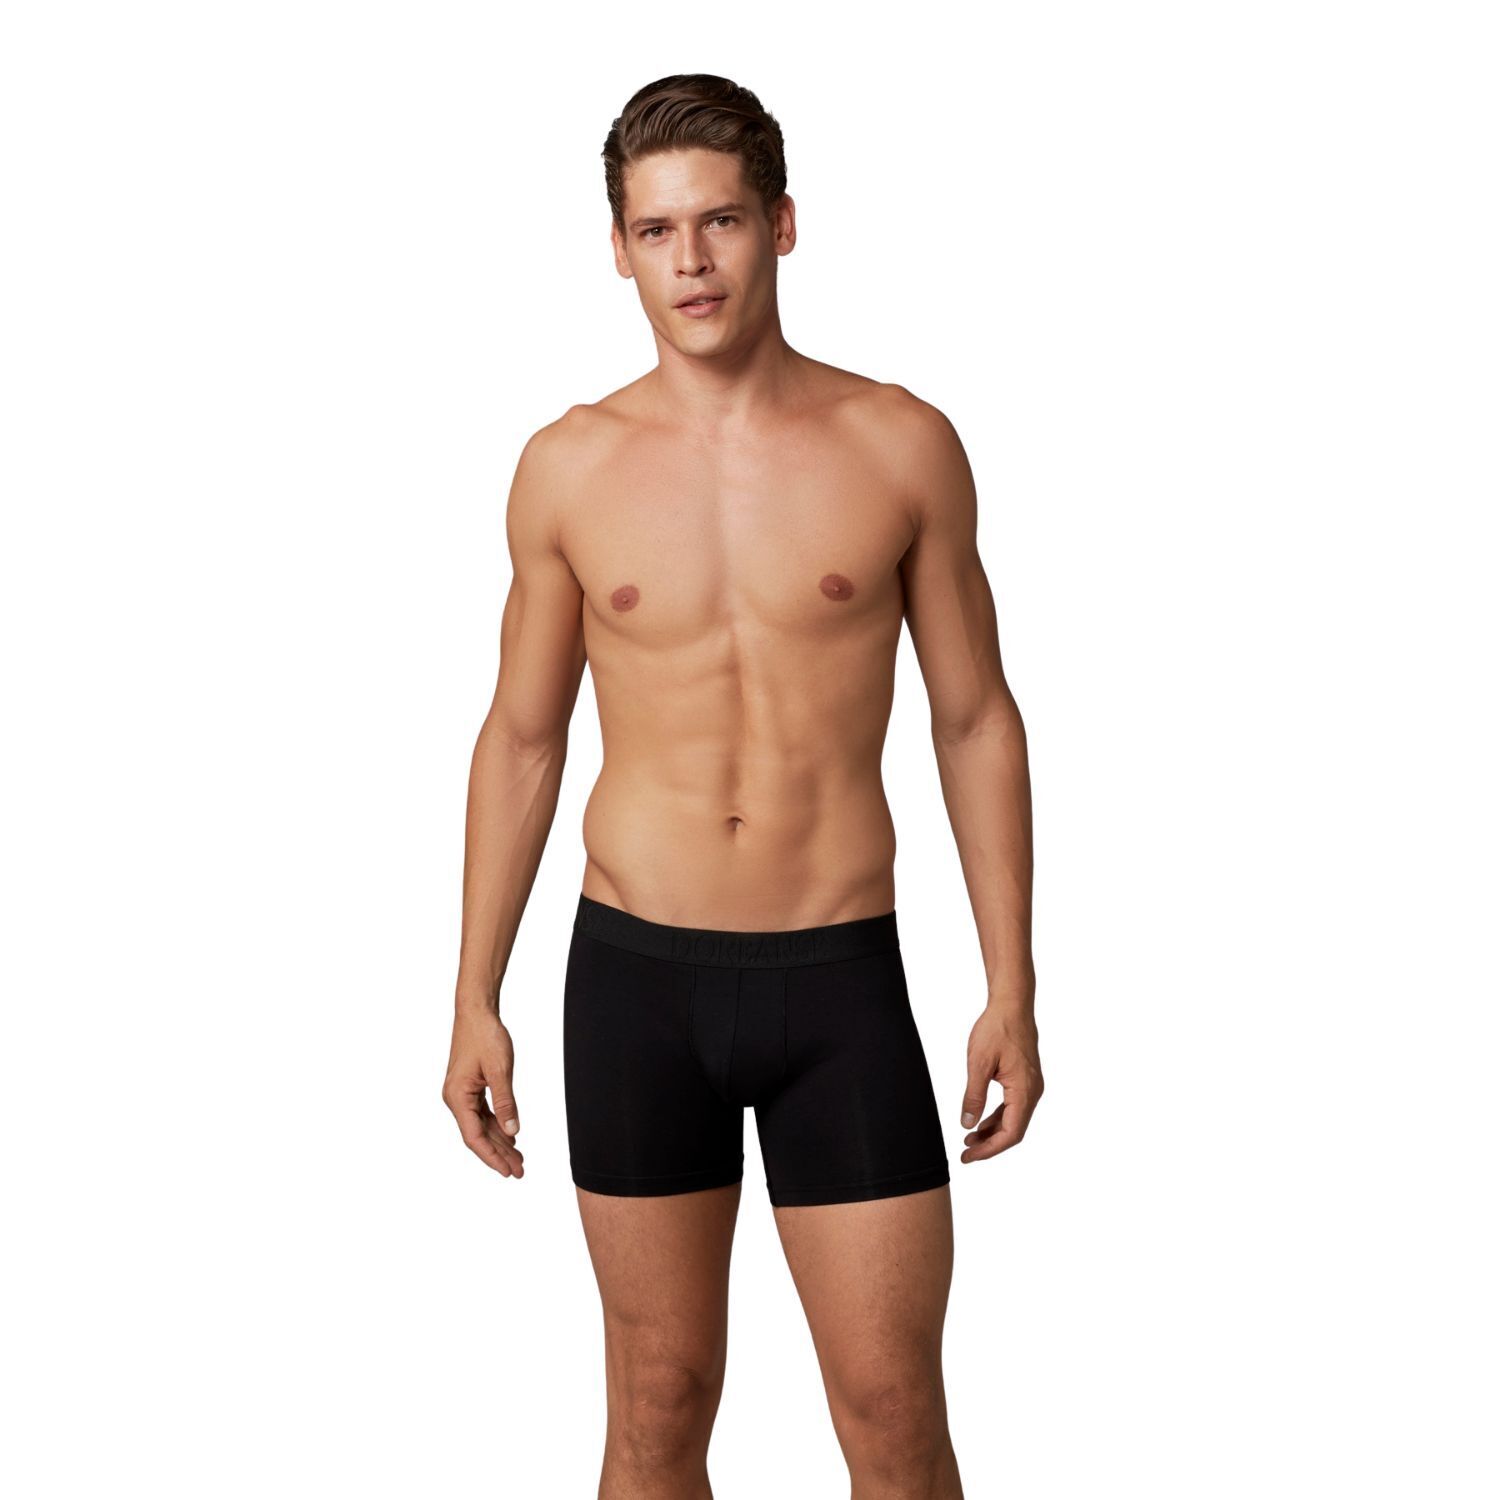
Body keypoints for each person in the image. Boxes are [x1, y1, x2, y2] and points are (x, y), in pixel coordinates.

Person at [442, 73, 1042, 1499]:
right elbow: (522, 738)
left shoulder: (899, 443)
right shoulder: (567, 467)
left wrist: (1010, 980)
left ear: (781, 224)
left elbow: (973, 718)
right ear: (618, 248)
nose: (692, 261)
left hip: (837, 976)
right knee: (657, 1404)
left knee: (893, 1411)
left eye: (719, 221)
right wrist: (474, 993)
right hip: (635, 979)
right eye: (657, 231)